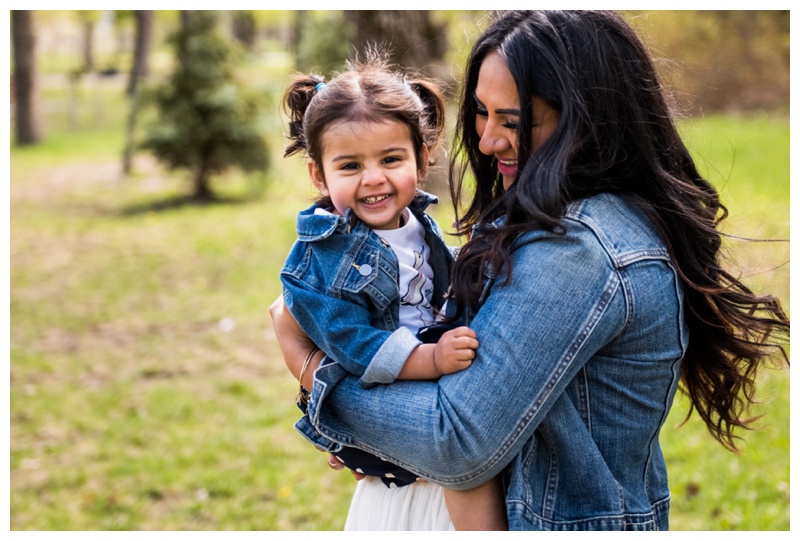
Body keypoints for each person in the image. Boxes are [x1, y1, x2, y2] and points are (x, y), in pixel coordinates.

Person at [272, 10, 789, 531]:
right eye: (481, 112)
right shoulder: (545, 215)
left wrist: (315, 373)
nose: (488, 140)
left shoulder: (580, 247)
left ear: (587, 119)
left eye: (514, 122)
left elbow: (454, 441)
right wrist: (381, 434)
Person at [278, 55, 507, 531]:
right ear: (319, 176)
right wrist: (433, 360)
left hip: (426, 405)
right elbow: (354, 346)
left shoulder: (423, 230)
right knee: (470, 473)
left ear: (422, 159)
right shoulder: (321, 258)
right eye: (349, 166)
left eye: (390, 159)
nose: (374, 178)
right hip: (386, 398)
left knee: (473, 467)